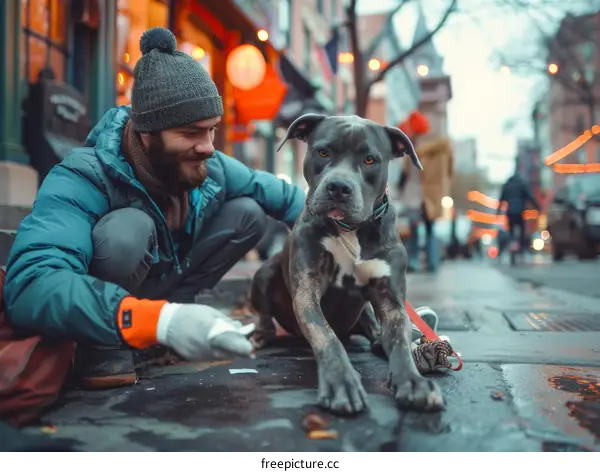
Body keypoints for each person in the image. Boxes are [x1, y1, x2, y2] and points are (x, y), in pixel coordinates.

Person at [1, 27, 305, 389]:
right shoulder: (83, 175)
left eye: (211, 130)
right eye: (191, 132)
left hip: (164, 292)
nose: (208, 146)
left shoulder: (211, 166)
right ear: (147, 134)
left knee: (248, 212)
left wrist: (345, 240)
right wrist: (155, 321)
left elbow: (282, 196)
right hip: (112, 311)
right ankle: (101, 344)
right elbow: (29, 285)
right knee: (128, 229)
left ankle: (170, 322)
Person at [398, 111, 454, 272]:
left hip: (419, 194)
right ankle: (430, 262)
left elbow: (407, 172)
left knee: (418, 228)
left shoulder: (422, 148)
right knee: (427, 228)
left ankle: (420, 261)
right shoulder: (437, 148)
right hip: (424, 194)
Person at [497, 168, 540, 254]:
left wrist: (498, 211)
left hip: (510, 212)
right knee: (522, 229)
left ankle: (512, 243)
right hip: (520, 211)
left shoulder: (507, 185)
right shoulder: (522, 184)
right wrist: (537, 207)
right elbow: (530, 196)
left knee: (511, 229)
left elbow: (502, 199)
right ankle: (520, 247)